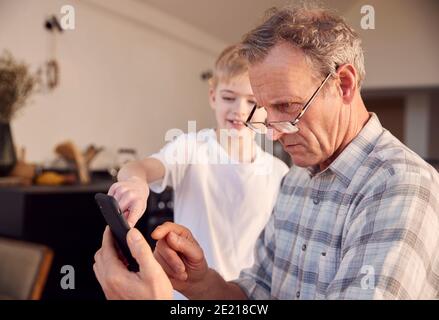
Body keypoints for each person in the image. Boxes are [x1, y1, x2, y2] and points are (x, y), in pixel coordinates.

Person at [94, 5, 439, 299]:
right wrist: (203, 284)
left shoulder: (400, 186)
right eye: (264, 111)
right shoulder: (296, 180)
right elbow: (258, 293)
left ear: (344, 84)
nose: (273, 134)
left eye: (287, 106)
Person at [94, 44, 289, 299]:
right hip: (184, 295)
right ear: (212, 96)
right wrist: (137, 183)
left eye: (252, 102)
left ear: (266, 106)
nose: (240, 110)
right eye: (229, 97)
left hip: (243, 297)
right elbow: (138, 168)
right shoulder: (191, 148)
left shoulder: (279, 172)